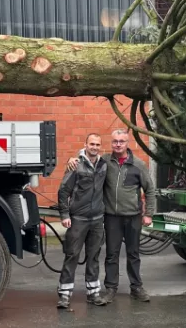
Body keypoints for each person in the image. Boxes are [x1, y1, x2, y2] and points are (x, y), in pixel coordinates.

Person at [66, 128, 155, 303]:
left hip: (133, 216)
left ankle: (136, 287)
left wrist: (148, 214)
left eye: (121, 141)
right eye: (115, 141)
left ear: (127, 143)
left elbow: (150, 190)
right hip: (111, 216)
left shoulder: (138, 164)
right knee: (111, 254)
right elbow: (88, 158)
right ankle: (111, 288)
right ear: (111, 143)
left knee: (133, 253)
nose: (118, 144)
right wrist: (73, 158)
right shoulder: (105, 161)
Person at [56, 133, 108, 309]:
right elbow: (63, 191)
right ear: (85, 144)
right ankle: (64, 295)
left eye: (97, 144)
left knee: (93, 257)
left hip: (97, 220)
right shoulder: (76, 165)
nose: (94, 147)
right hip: (78, 219)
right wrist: (64, 215)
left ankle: (93, 293)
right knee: (72, 255)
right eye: (92, 143)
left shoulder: (103, 165)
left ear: (101, 146)